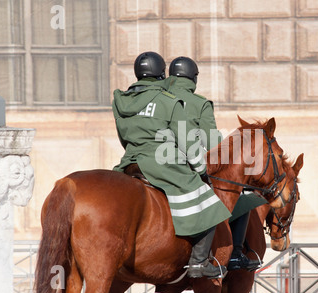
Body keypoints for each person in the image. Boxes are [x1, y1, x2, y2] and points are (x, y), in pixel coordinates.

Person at [112, 52, 231, 279]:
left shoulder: (120, 101)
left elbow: (123, 137)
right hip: (160, 163)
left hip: (129, 162)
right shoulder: (168, 101)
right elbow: (188, 141)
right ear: (161, 74)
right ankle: (198, 263)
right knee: (209, 204)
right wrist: (201, 169)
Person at [167, 56, 263, 271]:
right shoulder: (200, 104)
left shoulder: (158, 98)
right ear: (193, 77)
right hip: (186, 169)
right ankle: (236, 253)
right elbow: (214, 147)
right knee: (242, 199)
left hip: (149, 163)